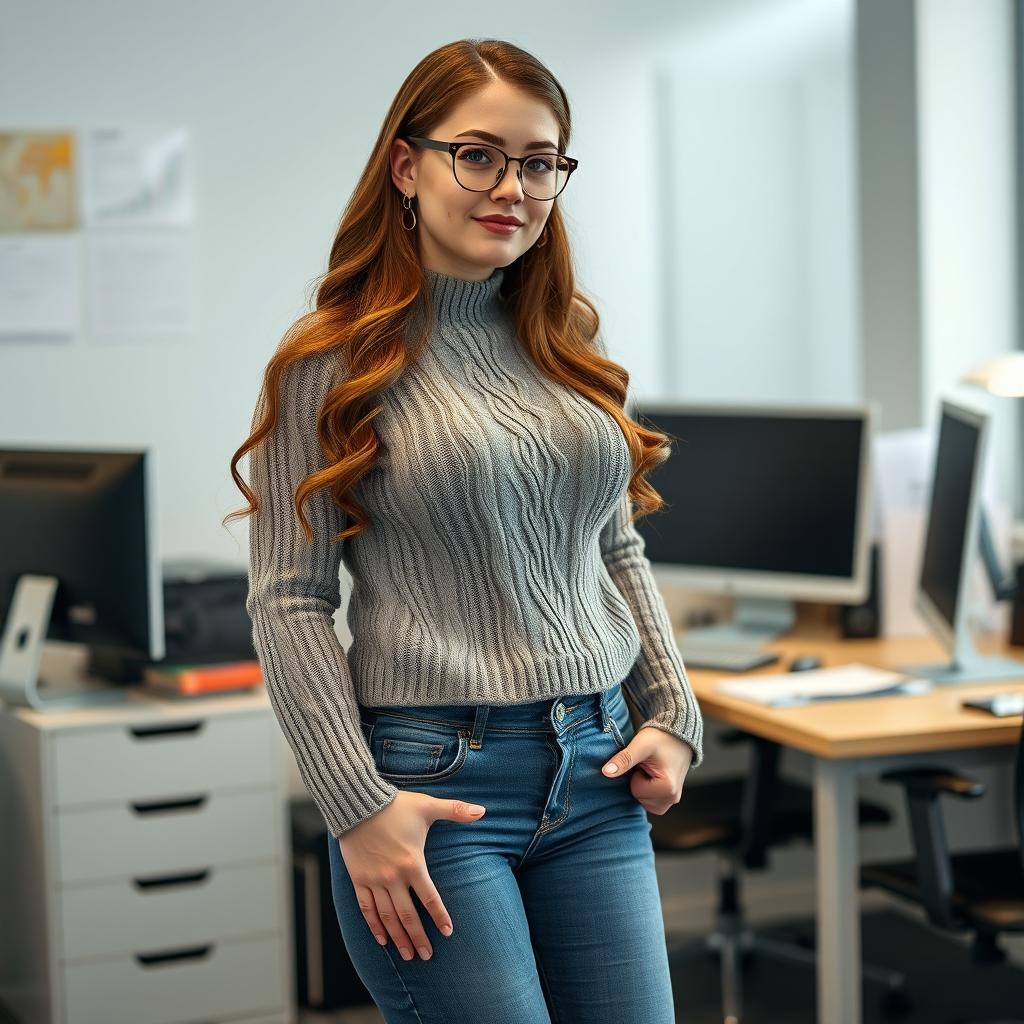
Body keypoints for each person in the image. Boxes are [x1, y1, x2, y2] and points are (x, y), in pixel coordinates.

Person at [228, 37, 704, 1024]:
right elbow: (289, 596)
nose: (514, 187)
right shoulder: (332, 357)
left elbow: (612, 547)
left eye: (540, 162)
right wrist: (356, 806)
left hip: (597, 766)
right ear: (407, 165)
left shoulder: (562, 330)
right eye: (477, 154)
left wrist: (672, 712)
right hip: (431, 781)